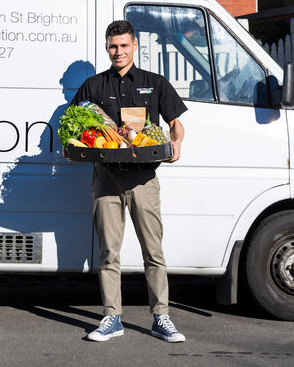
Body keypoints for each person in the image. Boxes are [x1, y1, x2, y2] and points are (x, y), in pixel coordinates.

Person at [69, 19, 187, 343]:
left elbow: (176, 123)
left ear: (135, 46)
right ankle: (111, 317)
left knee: (153, 251)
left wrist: (176, 142)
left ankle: (161, 317)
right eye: (112, 46)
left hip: (144, 181)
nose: (118, 52)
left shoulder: (155, 83)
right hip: (106, 181)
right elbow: (74, 129)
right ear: (107, 48)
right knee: (109, 252)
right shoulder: (93, 87)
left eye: (123, 46)